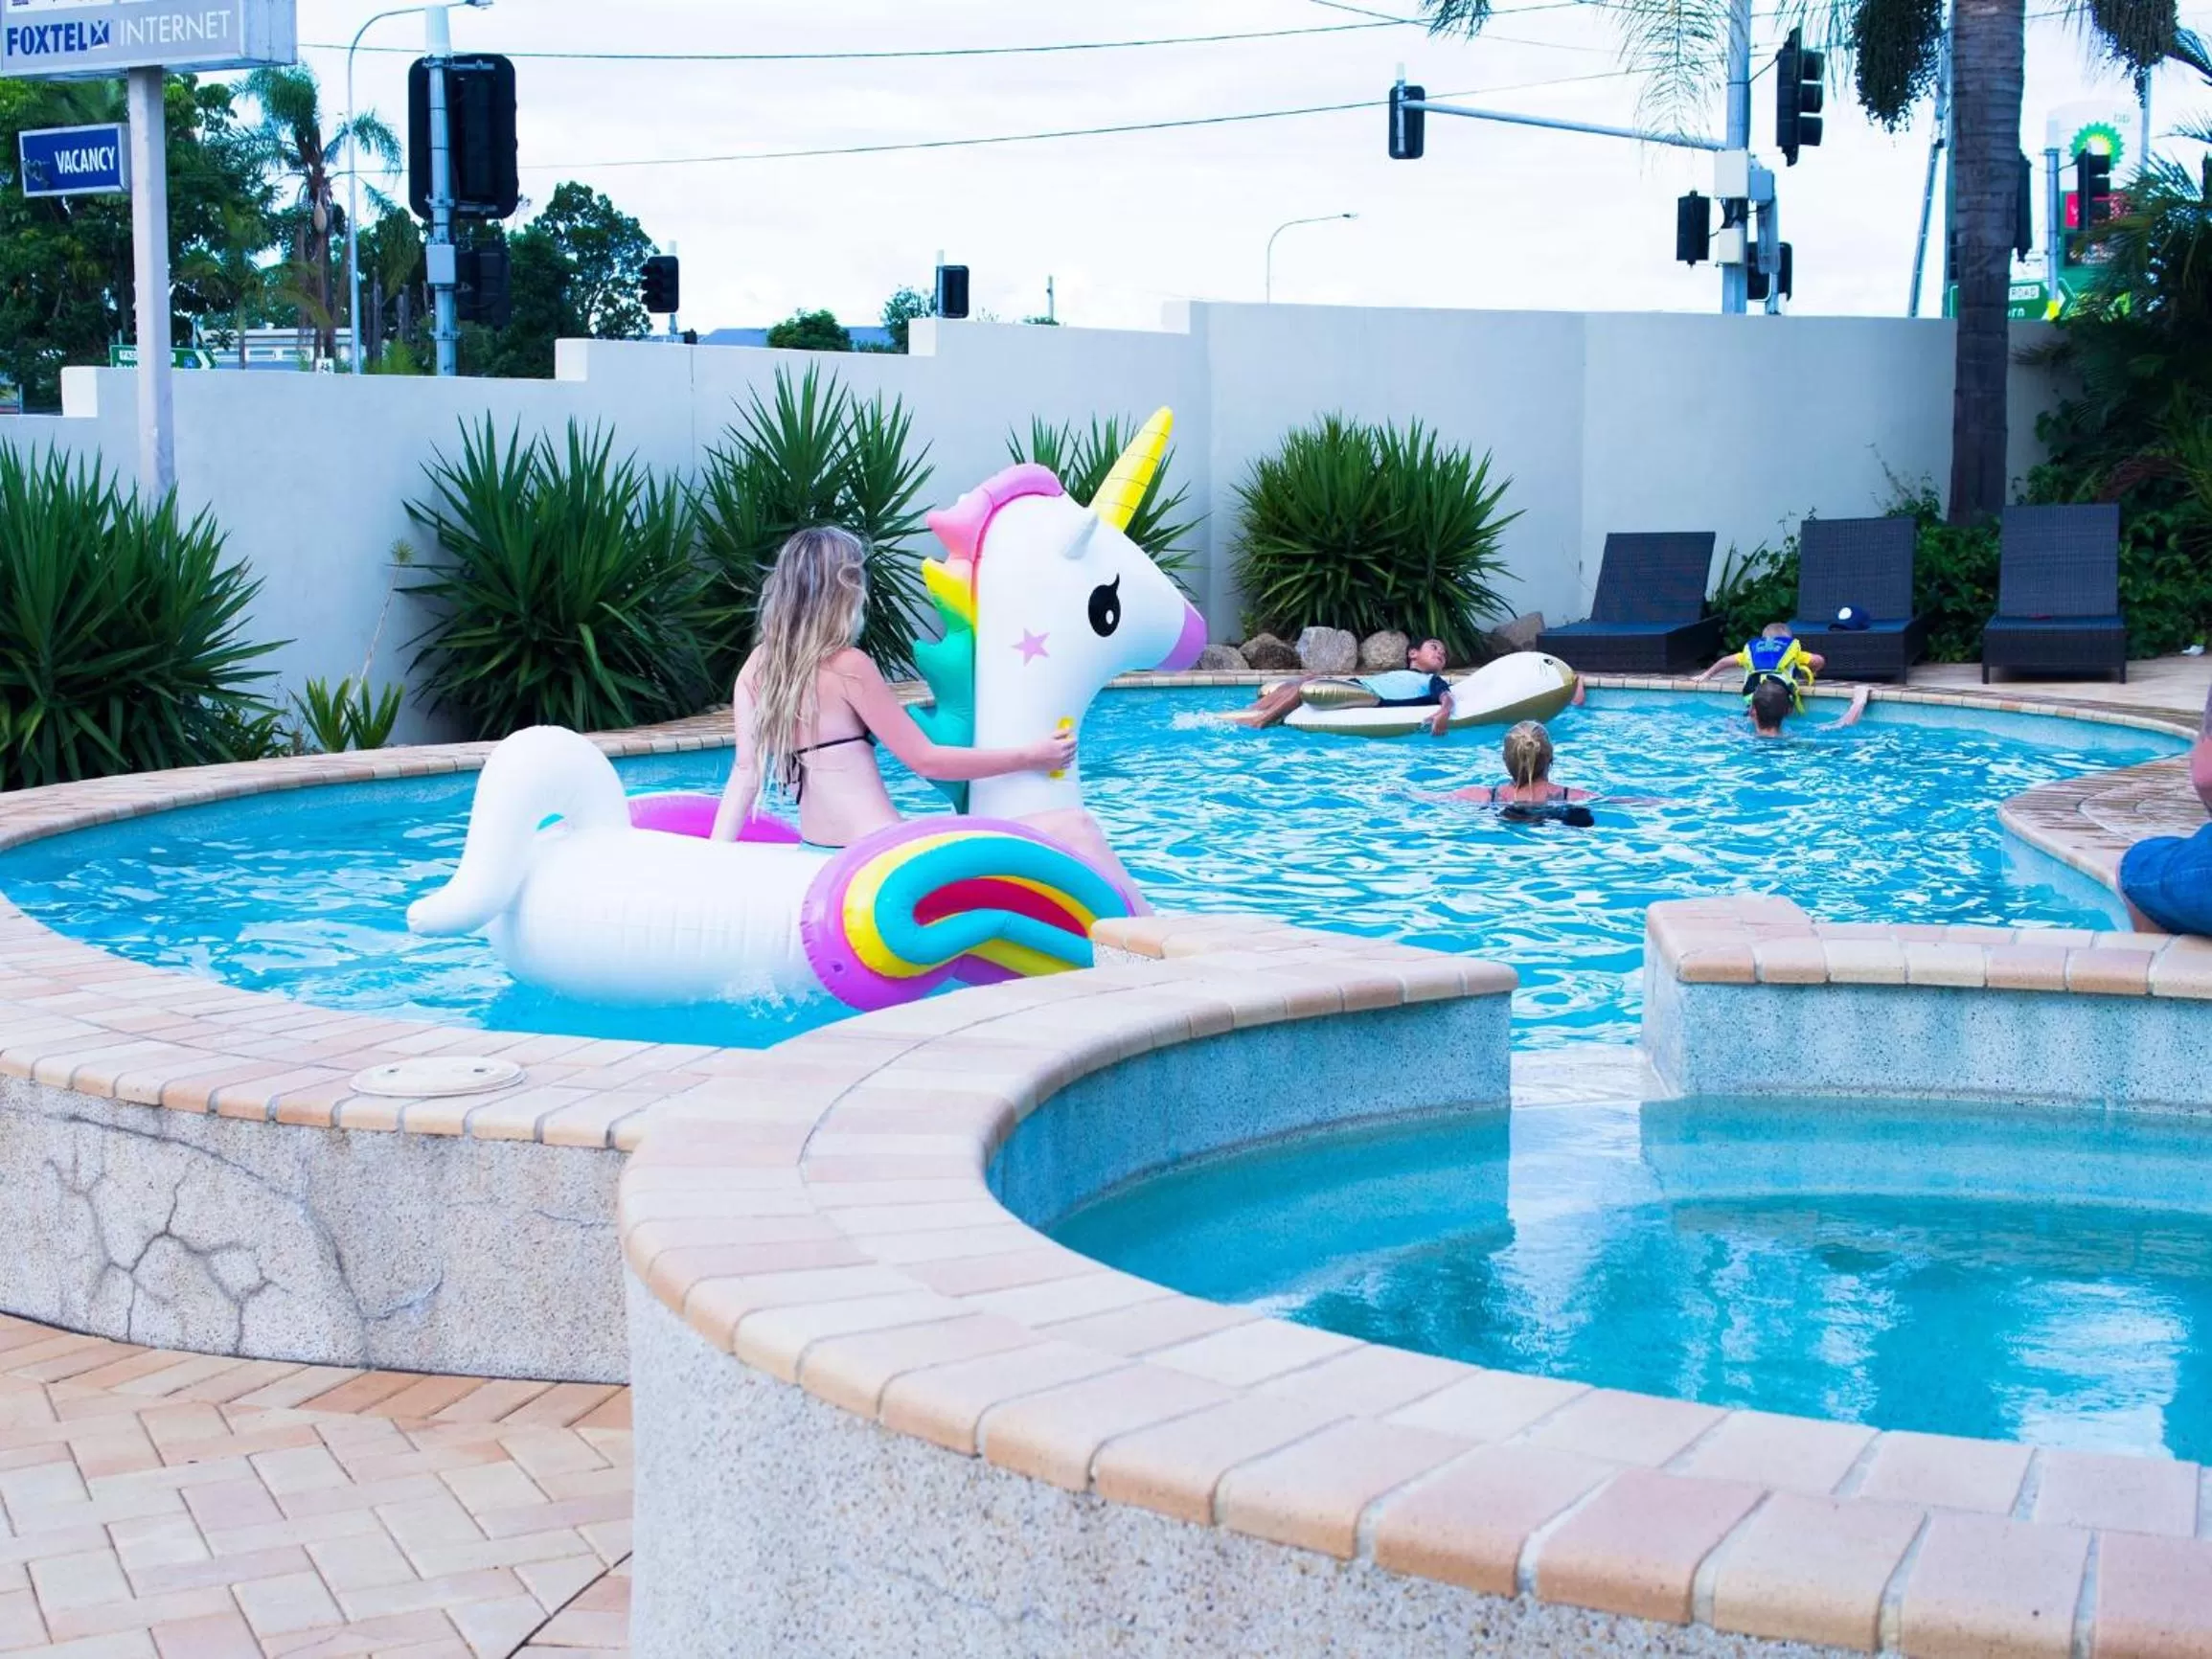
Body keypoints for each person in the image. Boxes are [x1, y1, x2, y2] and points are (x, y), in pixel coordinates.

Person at [710, 527, 1074, 849]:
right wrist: (1032, 756)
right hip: (879, 851)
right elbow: (926, 761)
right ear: (845, 590)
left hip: (819, 851)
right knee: (1075, 827)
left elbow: (745, 774)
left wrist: (714, 862)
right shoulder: (847, 665)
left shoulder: (757, 667)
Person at [1228, 638, 1457, 736]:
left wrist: (1444, 712)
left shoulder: (1430, 680)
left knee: (1311, 685)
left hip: (1372, 696)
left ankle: (1260, 722)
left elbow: (1446, 697)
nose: (1440, 653)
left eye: (1443, 654)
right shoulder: (1401, 672)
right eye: (1434, 647)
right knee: (1300, 680)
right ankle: (1252, 710)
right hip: (1358, 685)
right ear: (1413, 653)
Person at [1699, 623, 1826, 704]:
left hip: (1753, 694)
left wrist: (1706, 675)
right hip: (1781, 696)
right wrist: (1813, 672)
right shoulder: (1791, 652)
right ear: (1788, 640)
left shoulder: (1751, 652)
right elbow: (1819, 660)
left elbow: (1724, 661)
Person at [1747, 676, 1870, 738]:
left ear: (1752, 712)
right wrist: (1859, 702)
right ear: (1789, 711)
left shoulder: (1739, 735)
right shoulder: (1799, 738)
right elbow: (1842, 725)